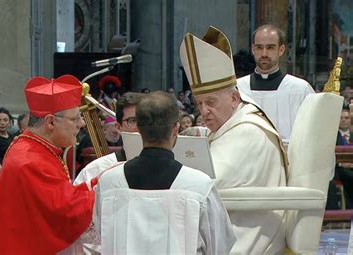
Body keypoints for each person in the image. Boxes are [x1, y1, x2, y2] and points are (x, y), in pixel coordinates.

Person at [180, 26, 288, 254]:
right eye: (199, 104)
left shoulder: (248, 132)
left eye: (211, 102)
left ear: (234, 97)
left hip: (246, 237)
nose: (204, 111)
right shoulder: (232, 123)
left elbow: (206, 184)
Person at [97, 91, 235, 254]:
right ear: (175, 128)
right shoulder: (199, 186)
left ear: (139, 128)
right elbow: (219, 246)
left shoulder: (109, 183)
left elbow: (100, 236)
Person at [0, 75, 97, 255]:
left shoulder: (36, 146)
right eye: (75, 118)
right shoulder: (29, 159)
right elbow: (64, 210)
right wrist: (105, 185)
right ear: (51, 121)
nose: (81, 124)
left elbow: (59, 195)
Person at [237, 24, 314, 142]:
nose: (264, 54)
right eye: (259, 47)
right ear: (253, 49)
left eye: (270, 47)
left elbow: (312, 134)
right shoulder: (237, 88)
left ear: (281, 50)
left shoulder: (300, 89)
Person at [74, 92, 144, 185]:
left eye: (146, 119)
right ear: (118, 127)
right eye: (132, 121)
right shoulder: (96, 170)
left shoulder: (168, 168)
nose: (141, 126)